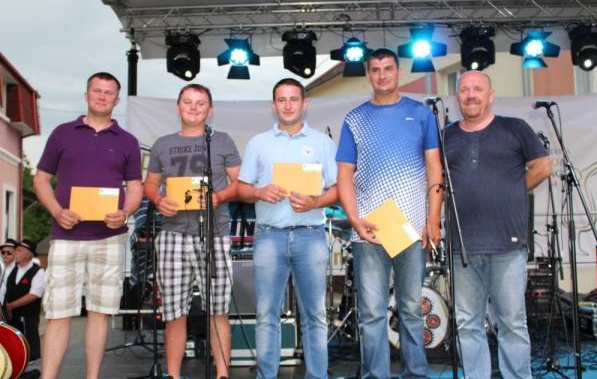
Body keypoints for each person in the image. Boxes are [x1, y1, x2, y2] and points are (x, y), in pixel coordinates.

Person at [336, 48, 443, 378]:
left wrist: (433, 219)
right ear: (368, 74)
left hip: (412, 229)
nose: (381, 75)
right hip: (369, 230)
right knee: (371, 314)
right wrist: (355, 219)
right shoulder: (355, 119)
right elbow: (344, 175)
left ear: (398, 72)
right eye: (375, 69)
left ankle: (415, 374)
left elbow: (434, 168)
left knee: (411, 309)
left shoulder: (421, 114)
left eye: (387, 68)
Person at [33, 72, 143, 379]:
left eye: (109, 93)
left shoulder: (128, 141)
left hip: (109, 238)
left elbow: (135, 187)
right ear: (86, 95)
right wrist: (57, 211)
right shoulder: (62, 133)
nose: (102, 97)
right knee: (58, 312)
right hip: (65, 235)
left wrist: (125, 212)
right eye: (97, 91)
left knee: (100, 313)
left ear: (116, 100)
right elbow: (40, 179)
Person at [444, 70, 552, 379]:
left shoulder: (515, 128)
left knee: (512, 324)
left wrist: (512, 190)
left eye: (478, 89)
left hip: (508, 246)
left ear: (491, 95)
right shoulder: (445, 136)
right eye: (465, 90)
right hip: (462, 248)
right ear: (457, 97)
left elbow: (542, 166)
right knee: (467, 325)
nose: (471, 95)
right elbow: (435, 181)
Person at [237, 78, 337, 379]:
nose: (288, 105)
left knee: (315, 315)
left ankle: (317, 376)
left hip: (311, 235)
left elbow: (338, 189)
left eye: (294, 99)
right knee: (266, 314)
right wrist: (259, 192)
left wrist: (315, 201)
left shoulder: (322, 142)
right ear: (274, 105)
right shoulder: (258, 143)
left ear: (304, 104)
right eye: (282, 99)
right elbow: (241, 188)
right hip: (269, 235)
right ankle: (266, 376)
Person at [144, 84, 241, 379]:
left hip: (214, 234)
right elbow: (150, 184)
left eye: (200, 103)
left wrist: (219, 197)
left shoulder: (221, 141)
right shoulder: (162, 144)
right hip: (172, 235)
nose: (194, 107)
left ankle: (222, 374)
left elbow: (240, 182)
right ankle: (173, 375)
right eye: (188, 102)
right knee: (174, 312)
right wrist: (158, 200)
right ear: (178, 107)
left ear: (210, 110)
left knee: (218, 310)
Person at [0, 240, 46, 363]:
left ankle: (32, 362)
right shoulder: (11, 269)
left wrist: (11, 306)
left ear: (29, 254)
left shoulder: (38, 271)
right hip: (11, 316)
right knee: (14, 342)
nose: (16, 253)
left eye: (19, 250)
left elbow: (34, 294)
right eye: (16, 250)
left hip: (28, 316)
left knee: (28, 342)